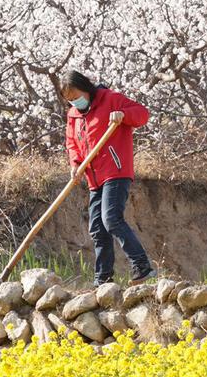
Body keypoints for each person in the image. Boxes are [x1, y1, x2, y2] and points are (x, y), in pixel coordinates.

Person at [61, 70, 156, 284]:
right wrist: (75, 165)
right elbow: (72, 144)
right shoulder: (73, 115)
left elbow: (142, 114)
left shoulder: (110, 99)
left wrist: (123, 115)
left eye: (77, 96)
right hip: (93, 178)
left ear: (86, 89)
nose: (75, 102)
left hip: (116, 171)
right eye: (70, 100)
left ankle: (142, 266)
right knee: (97, 227)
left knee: (111, 218)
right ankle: (103, 279)